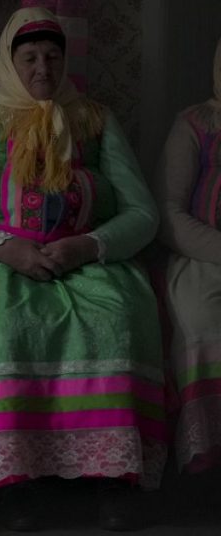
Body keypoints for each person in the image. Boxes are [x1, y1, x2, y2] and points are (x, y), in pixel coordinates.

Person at [0, 7, 164, 531]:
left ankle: (108, 474)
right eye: (29, 57)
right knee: (0, 323)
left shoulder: (93, 118)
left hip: (82, 255)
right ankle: (13, 480)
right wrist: (0, 248)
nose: (42, 69)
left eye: (53, 57)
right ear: (10, 61)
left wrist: (91, 245)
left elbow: (143, 212)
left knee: (113, 318)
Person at [156, 37, 221, 475]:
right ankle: (210, 456)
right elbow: (168, 213)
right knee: (204, 323)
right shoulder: (196, 124)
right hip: (204, 258)